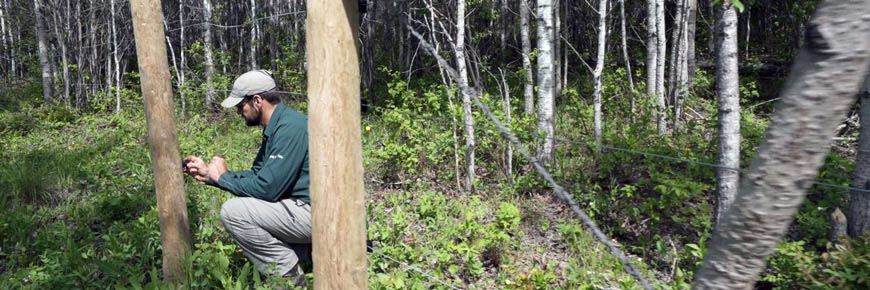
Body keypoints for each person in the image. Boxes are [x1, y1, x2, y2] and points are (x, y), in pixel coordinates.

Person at [183, 70, 311, 285]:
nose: (238, 112)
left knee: (234, 213)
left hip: (320, 215)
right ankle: (307, 255)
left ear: (257, 101)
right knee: (246, 209)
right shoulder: (277, 126)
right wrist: (211, 176)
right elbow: (258, 175)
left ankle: (289, 280)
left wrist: (223, 178)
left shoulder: (290, 128)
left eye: (240, 106)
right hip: (302, 208)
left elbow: (267, 189)